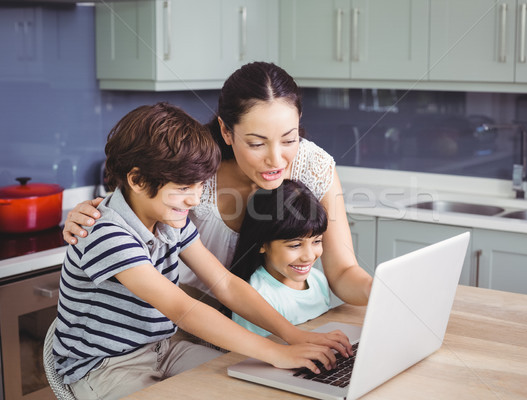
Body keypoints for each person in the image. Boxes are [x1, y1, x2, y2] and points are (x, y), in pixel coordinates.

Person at [53, 103, 351, 400]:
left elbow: (226, 284)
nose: (194, 199)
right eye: (184, 188)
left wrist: (294, 336)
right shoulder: (106, 233)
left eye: (198, 186)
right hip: (106, 366)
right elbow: (183, 309)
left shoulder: (169, 220)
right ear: (138, 180)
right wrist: (277, 352)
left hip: (164, 348)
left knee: (252, 387)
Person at [63, 61, 372, 308]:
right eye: (256, 144)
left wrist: (383, 293)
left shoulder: (314, 167)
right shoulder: (193, 171)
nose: (276, 160)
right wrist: (92, 212)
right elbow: (134, 204)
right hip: (190, 321)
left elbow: (343, 273)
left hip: (275, 316)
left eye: (289, 139)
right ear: (226, 131)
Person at [230, 180, 330, 336]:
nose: (309, 256)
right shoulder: (257, 296)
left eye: (316, 241)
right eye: (295, 245)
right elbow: (250, 357)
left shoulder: (319, 281)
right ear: (262, 243)